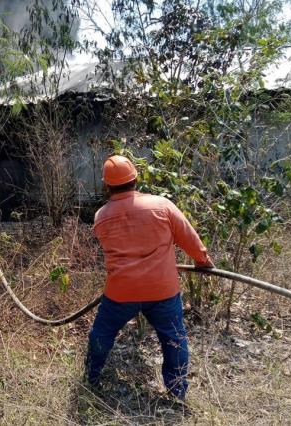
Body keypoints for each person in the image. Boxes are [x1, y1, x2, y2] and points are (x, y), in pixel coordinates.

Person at [84, 154, 214, 400]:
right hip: (162, 290)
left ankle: (90, 378)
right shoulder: (162, 205)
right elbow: (189, 238)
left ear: (107, 185)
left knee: (101, 334)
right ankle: (177, 391)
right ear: (135, 178)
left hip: (121, 293)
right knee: (174, 339)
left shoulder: (101, 216)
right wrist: (203, 261)